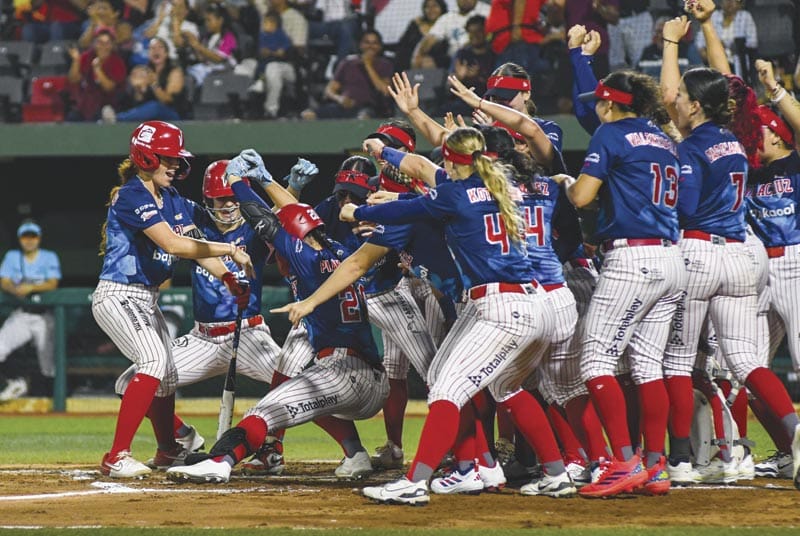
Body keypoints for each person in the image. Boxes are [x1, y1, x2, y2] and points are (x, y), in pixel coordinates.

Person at [330, 126, 572, 504]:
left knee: (445, 389)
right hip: (536, 302)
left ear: (453, 160)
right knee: (505, 386)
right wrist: (387, 154)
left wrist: (357, 209)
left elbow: (406, 208)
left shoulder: (456, 192)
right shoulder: (505, 185)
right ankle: (557, 473)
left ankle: (415, 482)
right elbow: (430, 179)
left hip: (501, 307)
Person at [165, 150, 390, 484]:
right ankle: (340, 454)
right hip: (373, 379)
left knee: (265, 410)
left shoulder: (302, 258)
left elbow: (264, 221)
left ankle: (220, 461)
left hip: (344, 373)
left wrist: (239, 182)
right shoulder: (339, 252)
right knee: (283, 387)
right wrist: (269, 180)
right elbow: (294, 218)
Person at [92, 120, 254, 478]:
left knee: (165, 376)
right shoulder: (133, 194)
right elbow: (172, 244)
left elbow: (194, 246)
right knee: (151, 361)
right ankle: (116, 455)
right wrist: (230, 249)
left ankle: (168, 450)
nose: (176, 166)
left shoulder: (173, 199)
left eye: (178, 159)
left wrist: (226, 276)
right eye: (168, 158)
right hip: (119, 293)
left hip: (145, 298)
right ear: (146, 156)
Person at [553, 70, 687, 498]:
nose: (596, 108)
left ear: (611, 104)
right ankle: (655, 464)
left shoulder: (611, 134)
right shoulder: (665, 139)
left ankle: (623, 462)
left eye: (599, 102)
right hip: (671, 256)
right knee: (649, 366)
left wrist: (565, 183)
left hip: (634, 259)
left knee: (595, 362)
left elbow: (582, 198)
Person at [113, 159, 296, 470]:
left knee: (299, 387)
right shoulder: (194, 221)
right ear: (206, 200)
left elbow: (285, 217)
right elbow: (160, 206)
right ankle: (181, 436)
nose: (226, 205)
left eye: (233, 198)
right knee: (130, 383)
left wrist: (293, 188)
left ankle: (274, 449)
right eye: (218, 199)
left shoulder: (255, 228)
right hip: (203, 338)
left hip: (248, 333)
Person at [0, 221, 61, 401]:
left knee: (48, 361)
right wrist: (15, 289)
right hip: (22, 314)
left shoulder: (49, 256)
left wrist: (30, 288)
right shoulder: (12, 256)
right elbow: (4, 281)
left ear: (39, 238)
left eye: (33, 236)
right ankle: (16, 381)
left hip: (43, 316)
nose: (29, 240)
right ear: (20, 239)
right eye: (25, 236)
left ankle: (54, 400)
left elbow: (53, 283)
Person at [300, 30, 393, 120]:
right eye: (367, 42)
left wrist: (368, 65)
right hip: (343, 106)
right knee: (308, 114)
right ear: (360, 45)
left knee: (363, 118)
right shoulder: (348, 63)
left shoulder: (385, 64)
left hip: (368, 108)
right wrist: (340, 99)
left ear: (380, 46)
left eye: (374, 43)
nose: (370, 46)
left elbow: (385, 90)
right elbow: (329, 90)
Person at [105, 36, 187, 123]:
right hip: (151, 116)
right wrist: (139, 89)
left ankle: (117, 119)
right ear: (148, 53)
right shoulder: (145, 71)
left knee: (155, 106)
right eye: (152, 48)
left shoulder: (174, 72)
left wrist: (153, 84)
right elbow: (139, 102)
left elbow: (168, 100)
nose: (156, 51)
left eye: (160, 47)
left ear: (166, 53)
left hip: (174, 115)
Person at [66, 26, 128, 122]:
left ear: (112, 45)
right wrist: (76, 61)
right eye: (100, 42)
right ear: (94, 43)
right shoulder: (87, 56)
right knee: (72, 117)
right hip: (86, 104)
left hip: (109, 105)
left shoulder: (117, 61)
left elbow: (109, 88)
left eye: (107, 43)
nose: (103, 46)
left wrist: (97, 69)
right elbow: (73, 79)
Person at [411, 0, 490, 69]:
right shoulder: (448, 17)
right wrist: (418, 56)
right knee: (426, 61)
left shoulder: (487, 11)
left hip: (481, 57)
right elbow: (429, 40)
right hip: (453, 60)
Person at [693, 0, 757, 79]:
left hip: (739, 60)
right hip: (715, 58)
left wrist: (736, 45)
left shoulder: (745, 16)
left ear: (739, 4)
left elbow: (753, 42)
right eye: (726, 0)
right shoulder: (714, 16)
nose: (729, 3)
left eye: (734, 1)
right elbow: (700, 40)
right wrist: (708, 51)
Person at [181, 2, 238, 87]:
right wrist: (193, 43)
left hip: (224, 72)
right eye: (205, 20)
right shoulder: (207, 38)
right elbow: (202, 58)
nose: (206, 23)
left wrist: (198, 46)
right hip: (208, 70)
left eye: (209, 20)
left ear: (220, 20)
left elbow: (219, 58)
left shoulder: (229, 37)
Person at [393, 0, 447, 72]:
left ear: (442, 7)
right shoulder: (416, 24)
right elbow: (402, 44)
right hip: (410, 65)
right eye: (427, 7)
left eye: (435, 6)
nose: (431, 10)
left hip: (437, 66)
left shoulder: (448, 23)